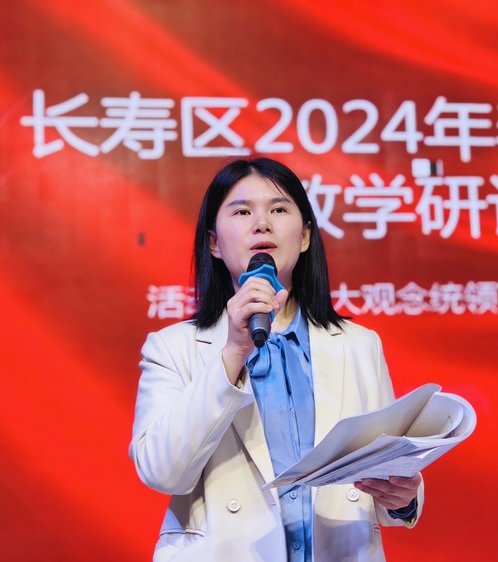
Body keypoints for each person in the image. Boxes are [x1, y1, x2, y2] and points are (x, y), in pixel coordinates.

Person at [129, 157, 424, 561]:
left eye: (279, 209)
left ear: (305, 236)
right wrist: (233, 353)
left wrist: (403, 498)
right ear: (214, 243)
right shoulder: (172, 347)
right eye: (242, 212)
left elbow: (384, 468)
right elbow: (162, 472)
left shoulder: (359, 345)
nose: (262, 224)